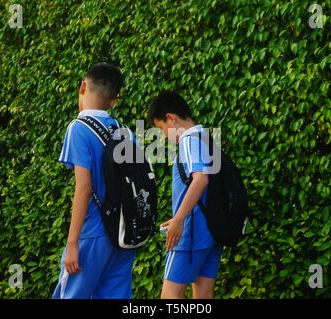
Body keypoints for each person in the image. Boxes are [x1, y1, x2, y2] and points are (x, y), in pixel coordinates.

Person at [52, 63, 136, 299]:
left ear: (82, 86)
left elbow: (84, 187)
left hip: (91, 233)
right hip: (122, 233)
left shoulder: (78, 128)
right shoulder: (125, 131)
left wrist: (72, 243)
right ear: (113, 101)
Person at [148, 91, 223, 299]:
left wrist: (178, 220)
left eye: (162, 129)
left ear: (171, 118)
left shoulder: (189, 141)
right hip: (211, 231)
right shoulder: (206, 138)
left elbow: (200, 180)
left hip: (189, 235)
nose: (163, 136)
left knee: (170, 297)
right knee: (204, 295)